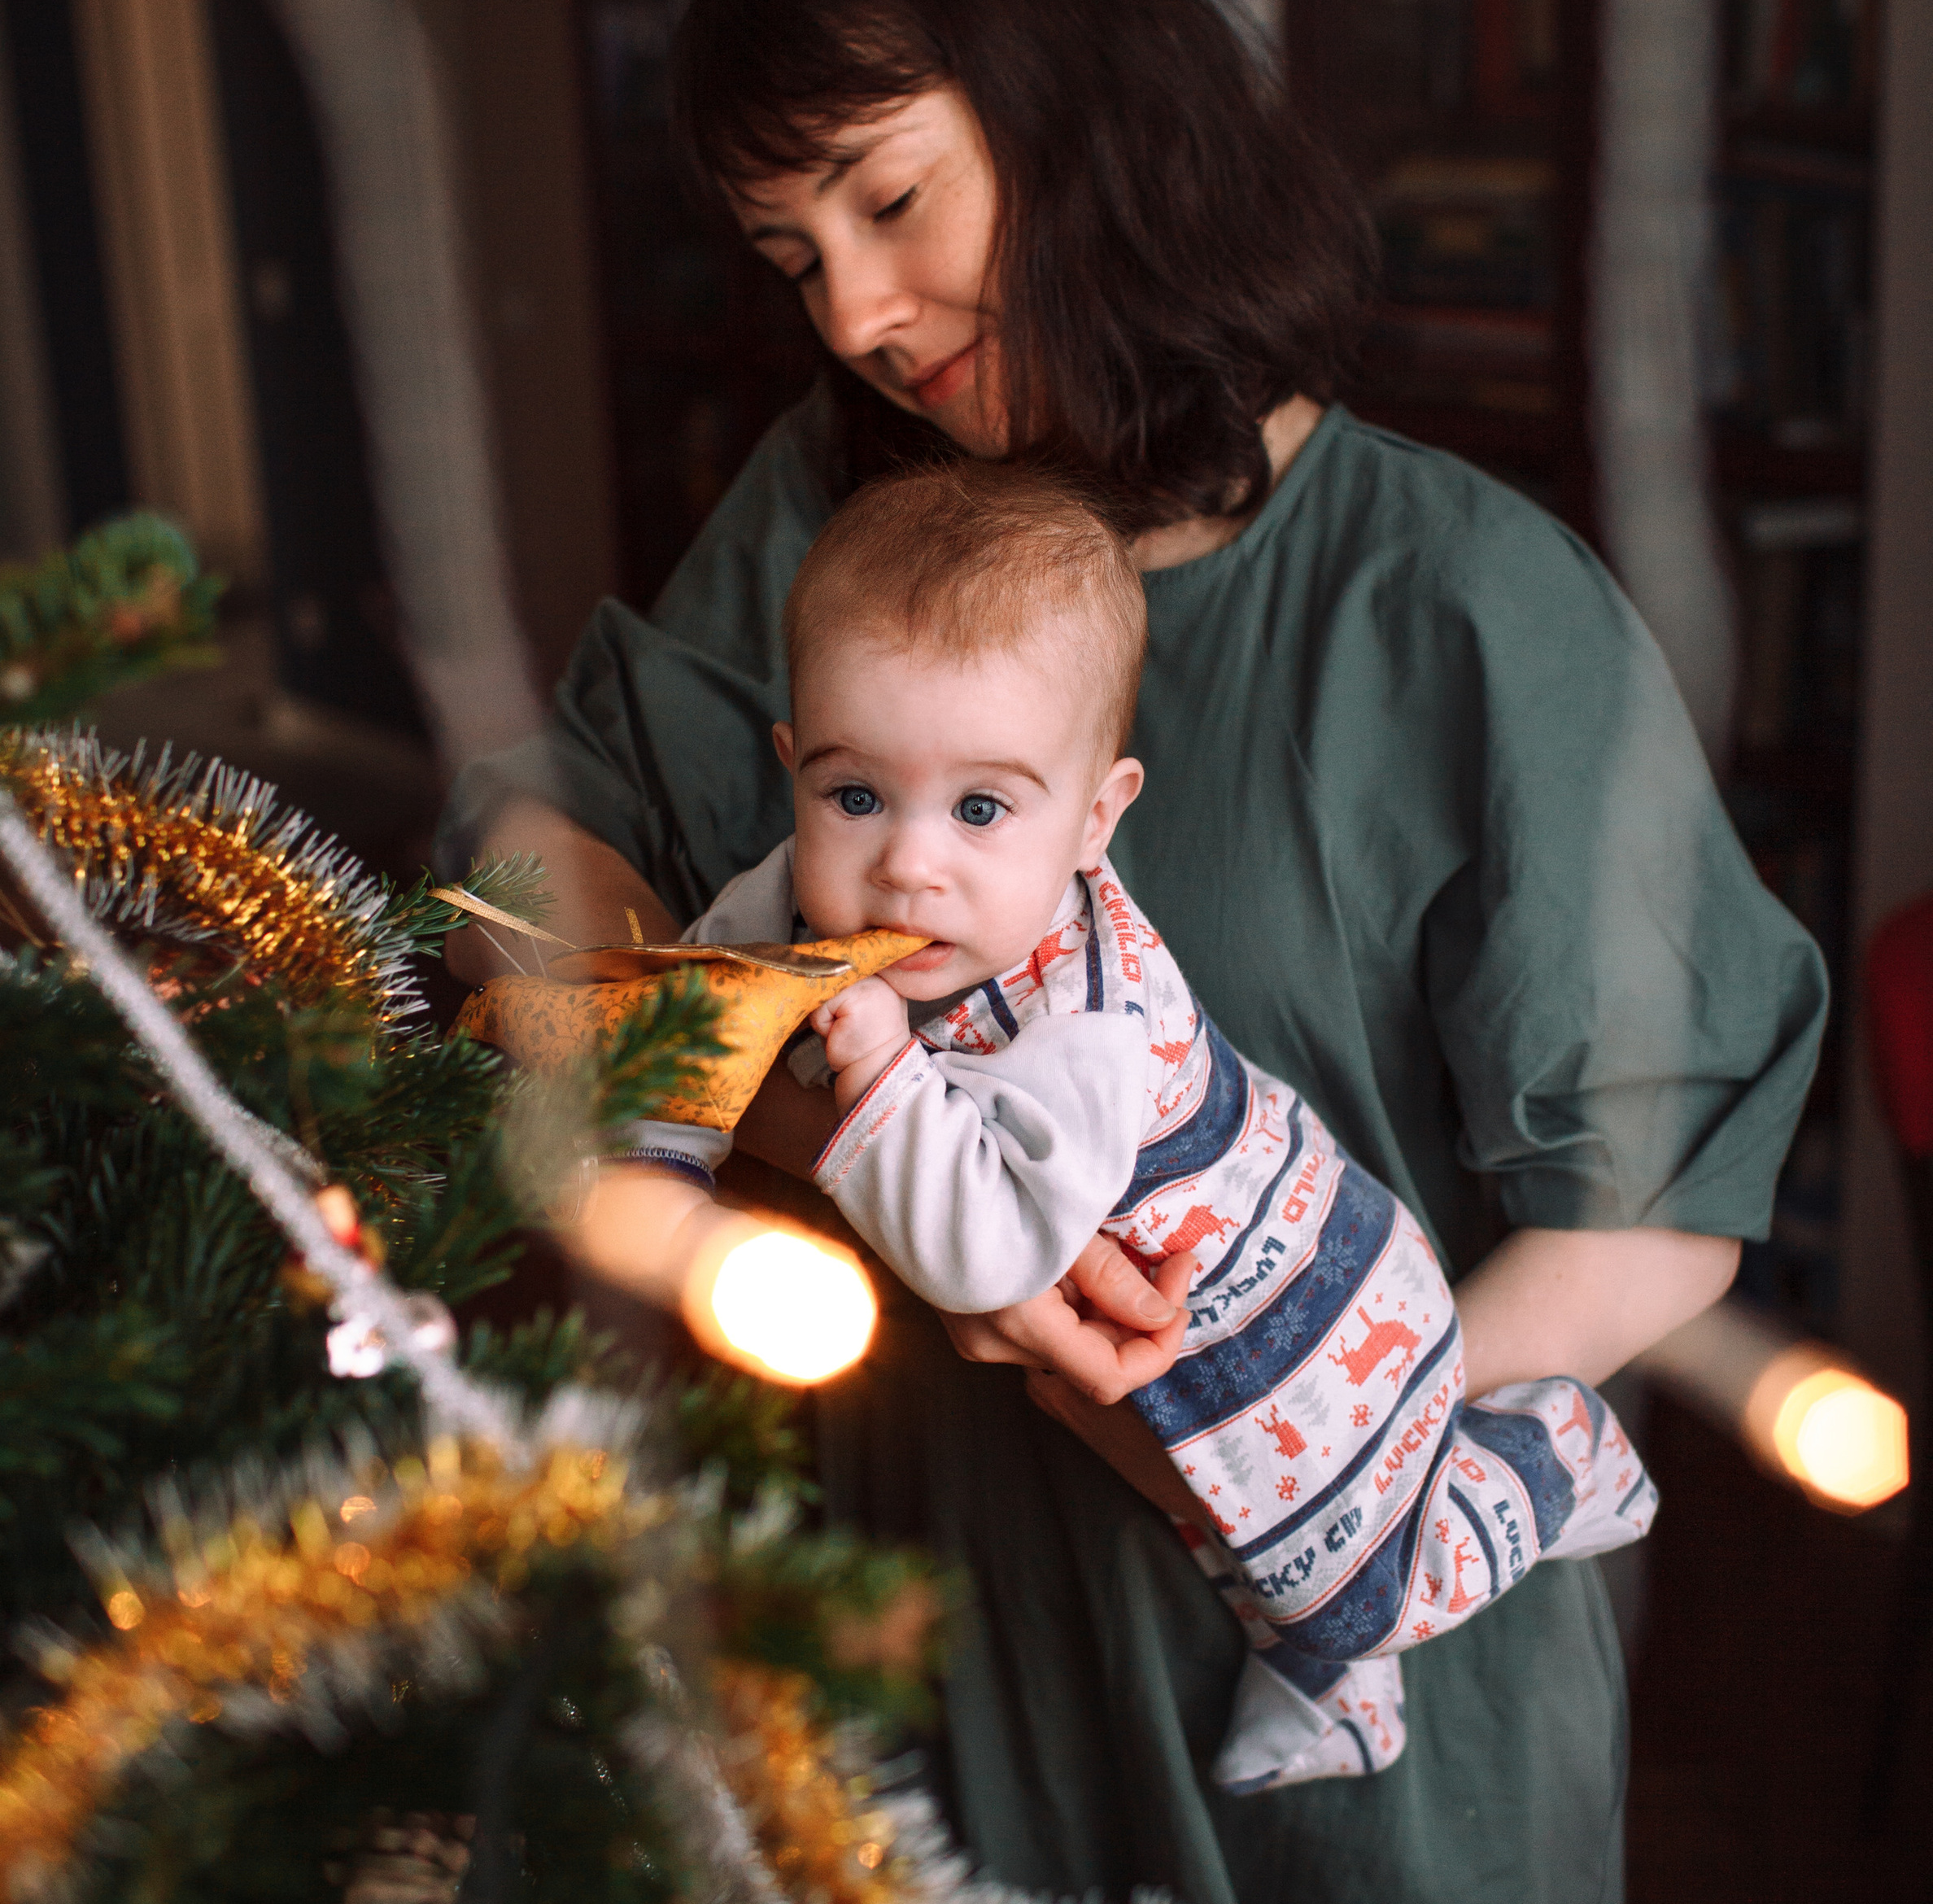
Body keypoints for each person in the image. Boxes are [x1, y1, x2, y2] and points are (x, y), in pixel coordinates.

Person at [441, 0, 1826, 1904]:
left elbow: (1652, 1205)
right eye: (784, 254)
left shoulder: (1462, 608)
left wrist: (1256, 1426)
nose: (851, 311)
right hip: (940, 1631)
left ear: (1069, 109)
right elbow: (561, 830)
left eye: (884, 195)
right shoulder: (834, 538)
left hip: (1348, 1673)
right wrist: (620, 1004)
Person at [620, 458, 1659, 1797]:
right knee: (1194, 1499)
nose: (908, 863)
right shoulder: (809, 889)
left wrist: (878, 1068)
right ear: (797, 771)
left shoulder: (1098, 1016)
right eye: (854, 795)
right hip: (1140, 1340)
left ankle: (1553, 1460)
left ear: (1097, 816)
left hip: (1293, 1297)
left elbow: (989, 1258)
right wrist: (664, 1155)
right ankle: (1345, 1697)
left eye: (983, 808)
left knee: (1343, 1575)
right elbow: (705, 1007)